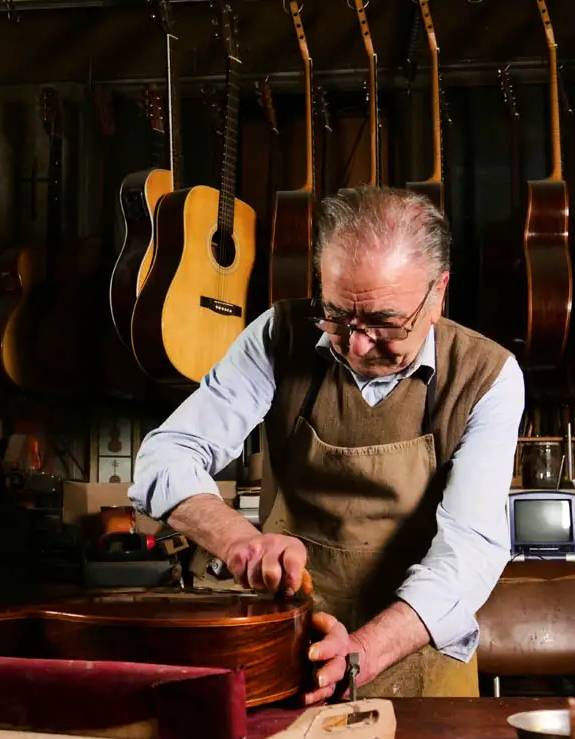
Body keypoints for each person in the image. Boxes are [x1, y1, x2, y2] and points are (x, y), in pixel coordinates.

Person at [128, 186, 525, 703]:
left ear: (438, 292)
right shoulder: (278, 337)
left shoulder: (486, 376)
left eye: (385, 322)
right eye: (337, 315)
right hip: (286, 647)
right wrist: (239, 541)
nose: (357, 345)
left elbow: (469, 551)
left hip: (413, 654)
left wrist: (361, 649)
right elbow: (167, 453)